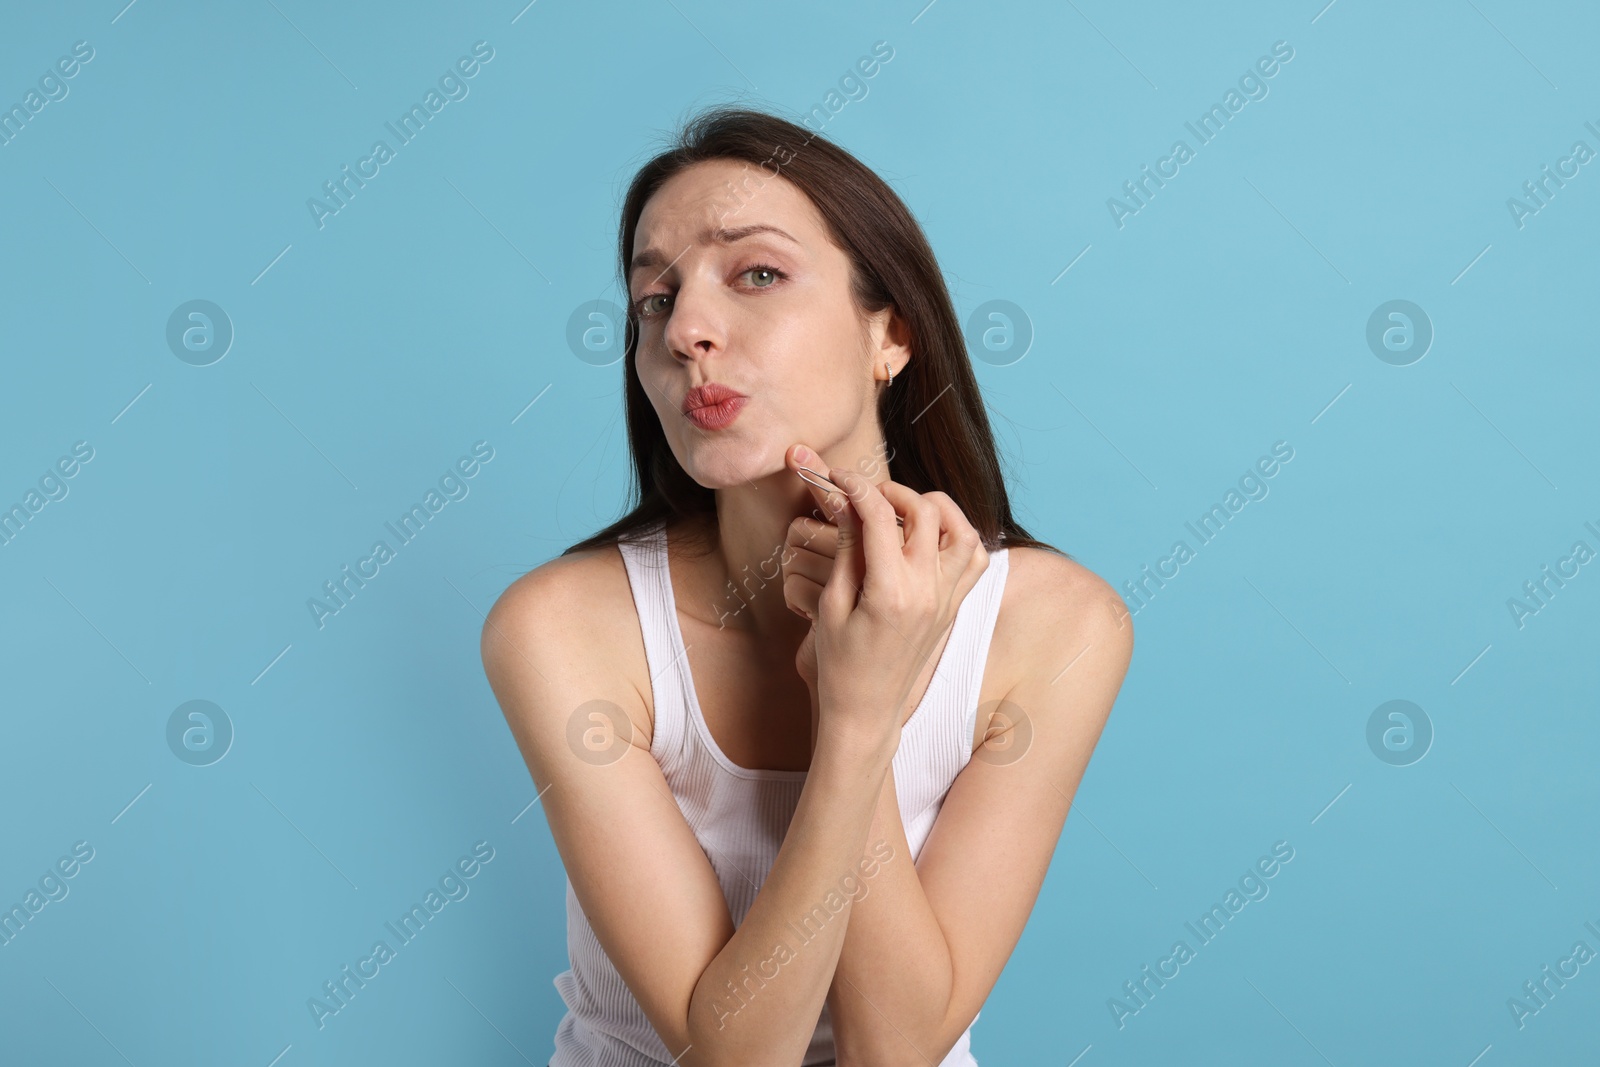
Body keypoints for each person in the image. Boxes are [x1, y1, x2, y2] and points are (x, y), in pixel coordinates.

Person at [482, 105, 1133, 1067]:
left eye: (757, 274)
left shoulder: (1058, 625)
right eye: (655, 298)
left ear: (893, 336)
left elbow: (898, 1050)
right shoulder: (561, 627)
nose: (687, 330)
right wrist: (860, 716)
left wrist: (855, 693)